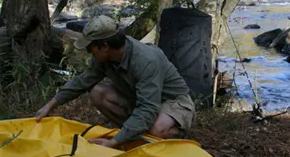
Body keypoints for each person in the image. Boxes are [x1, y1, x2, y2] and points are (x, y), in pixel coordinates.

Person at [35, 15, 195, 148]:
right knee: (98, 92)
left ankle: (168, 133)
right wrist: (50, 105)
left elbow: (148, 107)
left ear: (104, 46)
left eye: (90, 48)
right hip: (140, 98)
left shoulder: (145, 61)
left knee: (156, 129)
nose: (89, 52)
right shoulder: (104, 57)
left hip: (173, 103)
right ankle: (134, 133)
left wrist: (114, 142)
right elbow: (83, 81)